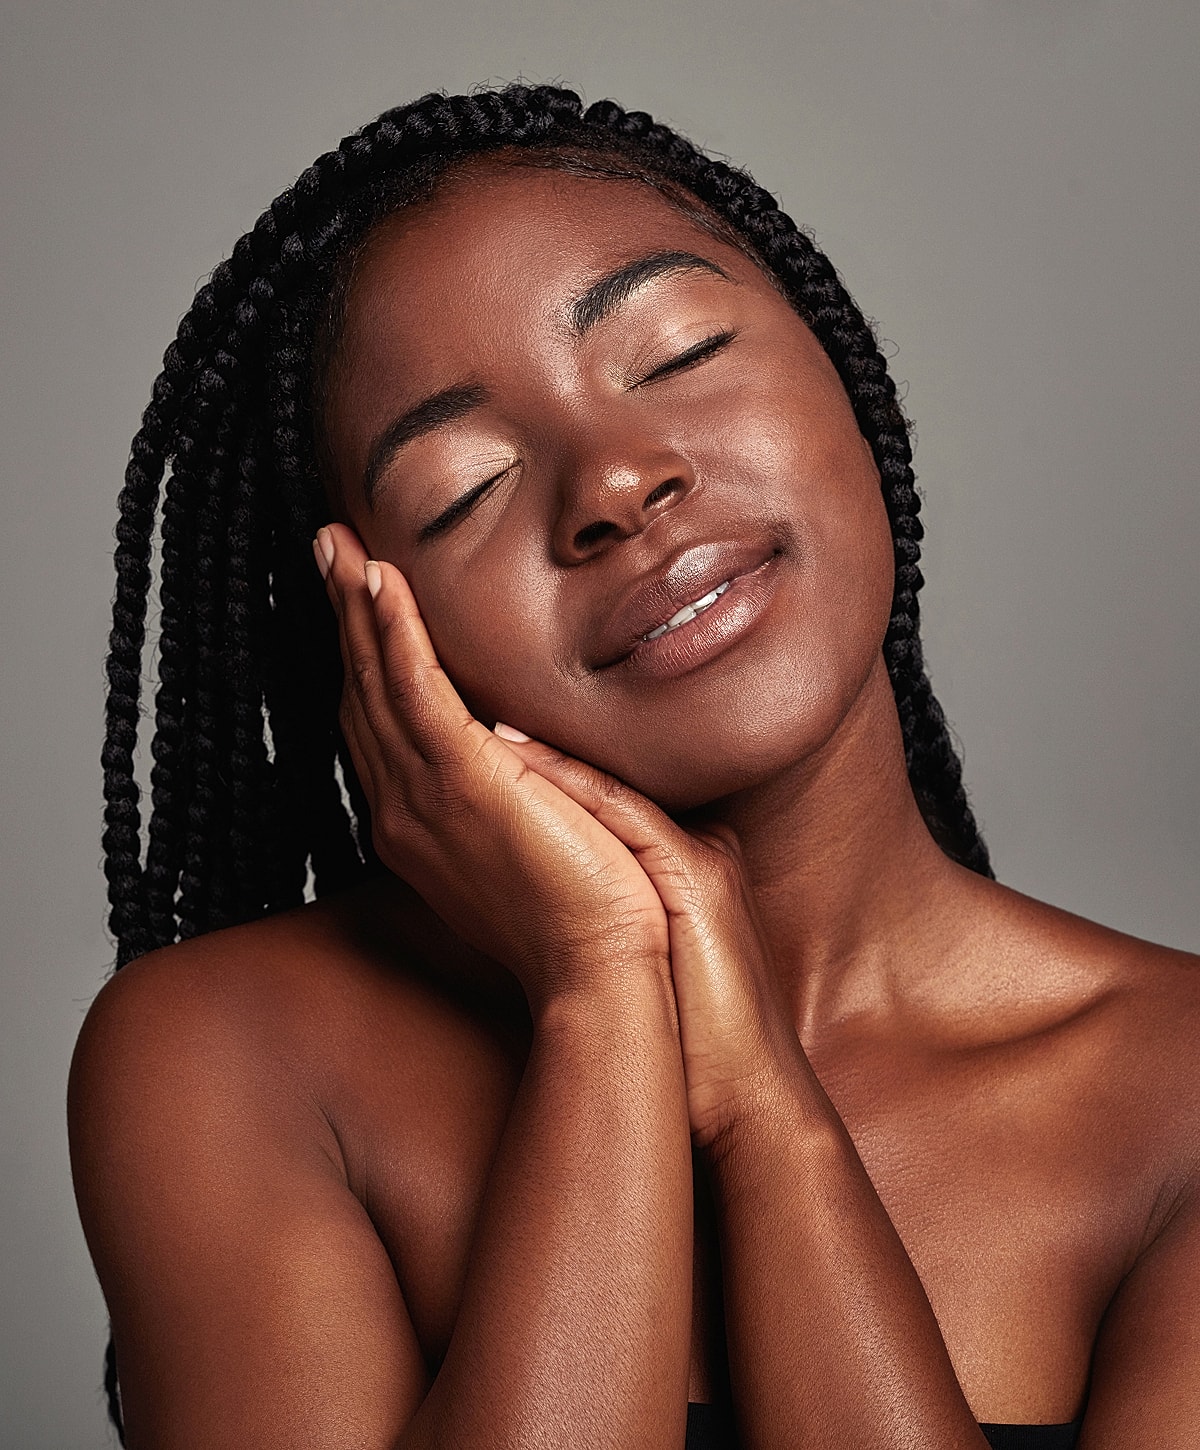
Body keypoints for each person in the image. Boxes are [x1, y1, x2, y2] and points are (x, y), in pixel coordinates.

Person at [67, 83, 1199, 1450]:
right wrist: (601, 992)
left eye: (678, 354)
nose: (613, 483)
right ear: (371, 625)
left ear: (844, 375)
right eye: (463, 488)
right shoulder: (232, 1058)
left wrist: (769, 1121)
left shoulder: (1176, 1091)